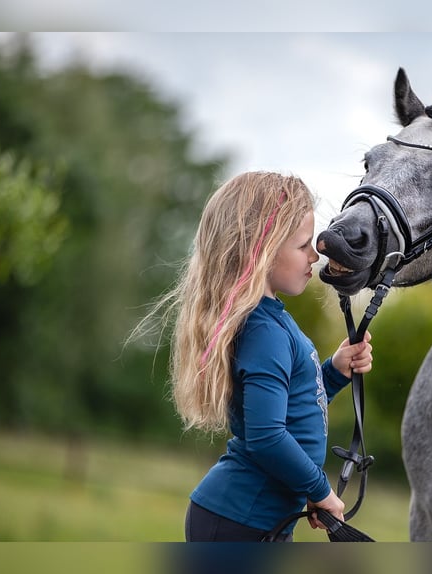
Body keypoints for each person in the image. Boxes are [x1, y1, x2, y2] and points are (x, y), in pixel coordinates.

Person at [150, 171, 372, 542]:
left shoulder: (270, 321)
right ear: (262, 250)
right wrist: (320, 490)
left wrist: (332, 373)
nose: (314, 256)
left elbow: (292, 405)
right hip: (239, 522)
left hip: (251, 520)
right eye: (303, 245)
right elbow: (267, 436)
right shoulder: (265, 330)